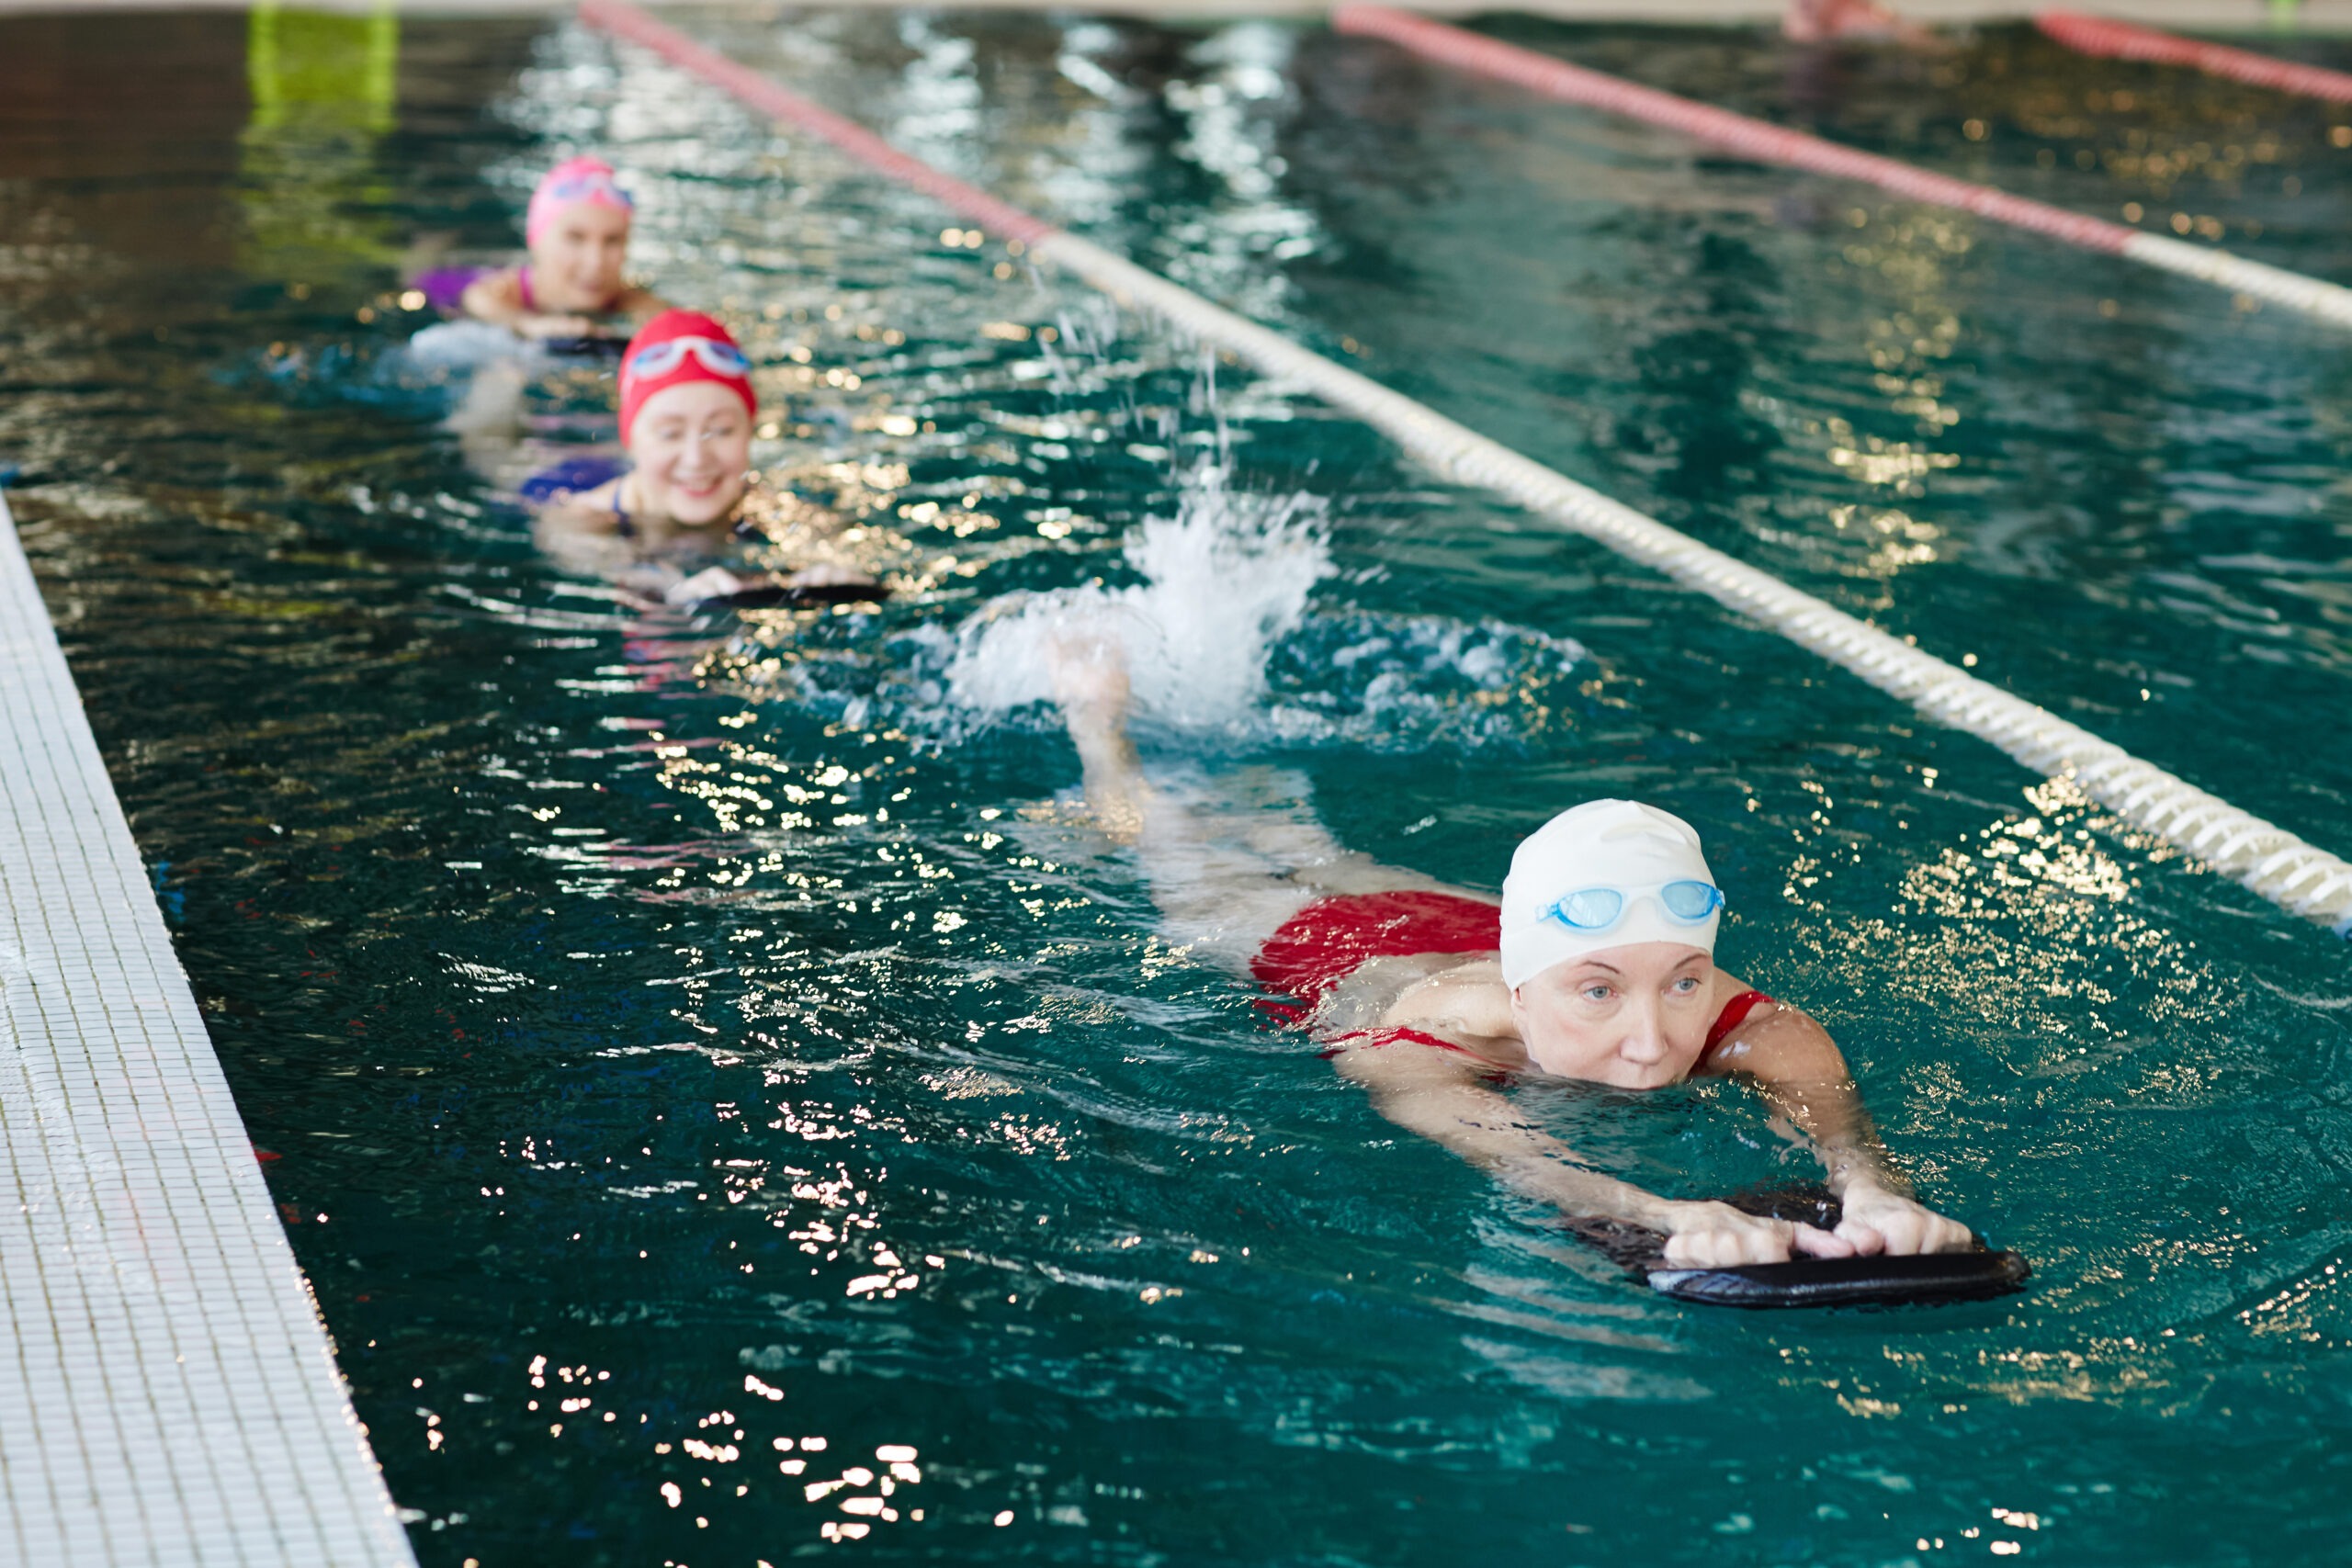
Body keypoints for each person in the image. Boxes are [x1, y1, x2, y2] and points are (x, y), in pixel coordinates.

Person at [1050, 640, 1973, 1269]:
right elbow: (1529, 1167)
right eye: (1599, 995)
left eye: (1684, 981)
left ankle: (1265, 786)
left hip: (1469, 919)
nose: (1652, 1041)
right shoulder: (1414, 1047)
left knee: (1321, 850)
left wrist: (1876, 1194)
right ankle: (1099, 728)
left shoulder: (1754, 1026)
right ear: (1524, 997)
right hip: (1326, 950)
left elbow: (1847, 1145)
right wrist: (1666, 1216)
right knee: (1161, 841)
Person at [528, 309, 879, 606]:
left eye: (722, 430)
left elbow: (850, 555)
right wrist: (671, 591)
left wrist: (836, 573)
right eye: (671, 434)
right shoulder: (580, 520)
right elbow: (605, 565)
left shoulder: (773, 508)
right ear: (629, 439)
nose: (697, 459)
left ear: (749, 432)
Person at [417, 156, 665, 339]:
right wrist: (529, 324)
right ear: (536, 240)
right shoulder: (501, 291)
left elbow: (671, 322)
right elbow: (479, 299)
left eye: (612, 240)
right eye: (575, 238)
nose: (596, 261)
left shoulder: (628, 298)